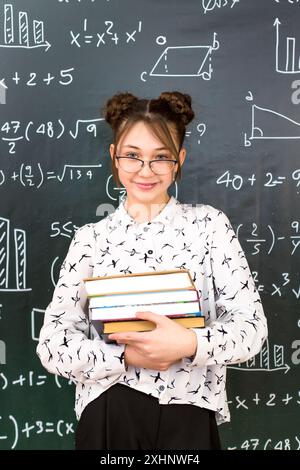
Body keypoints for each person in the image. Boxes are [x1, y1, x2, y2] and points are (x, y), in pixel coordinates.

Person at [37, 91, 268, 450]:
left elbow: (252, 329)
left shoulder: (209, 226)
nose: (145, 171)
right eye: (132, 156)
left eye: (161, 158)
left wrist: (189, 342)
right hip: (109, 410)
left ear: (179, 161)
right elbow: (52, 346)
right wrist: (126, 356)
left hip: (189, 412)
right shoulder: (91, 240)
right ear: (114, 157)